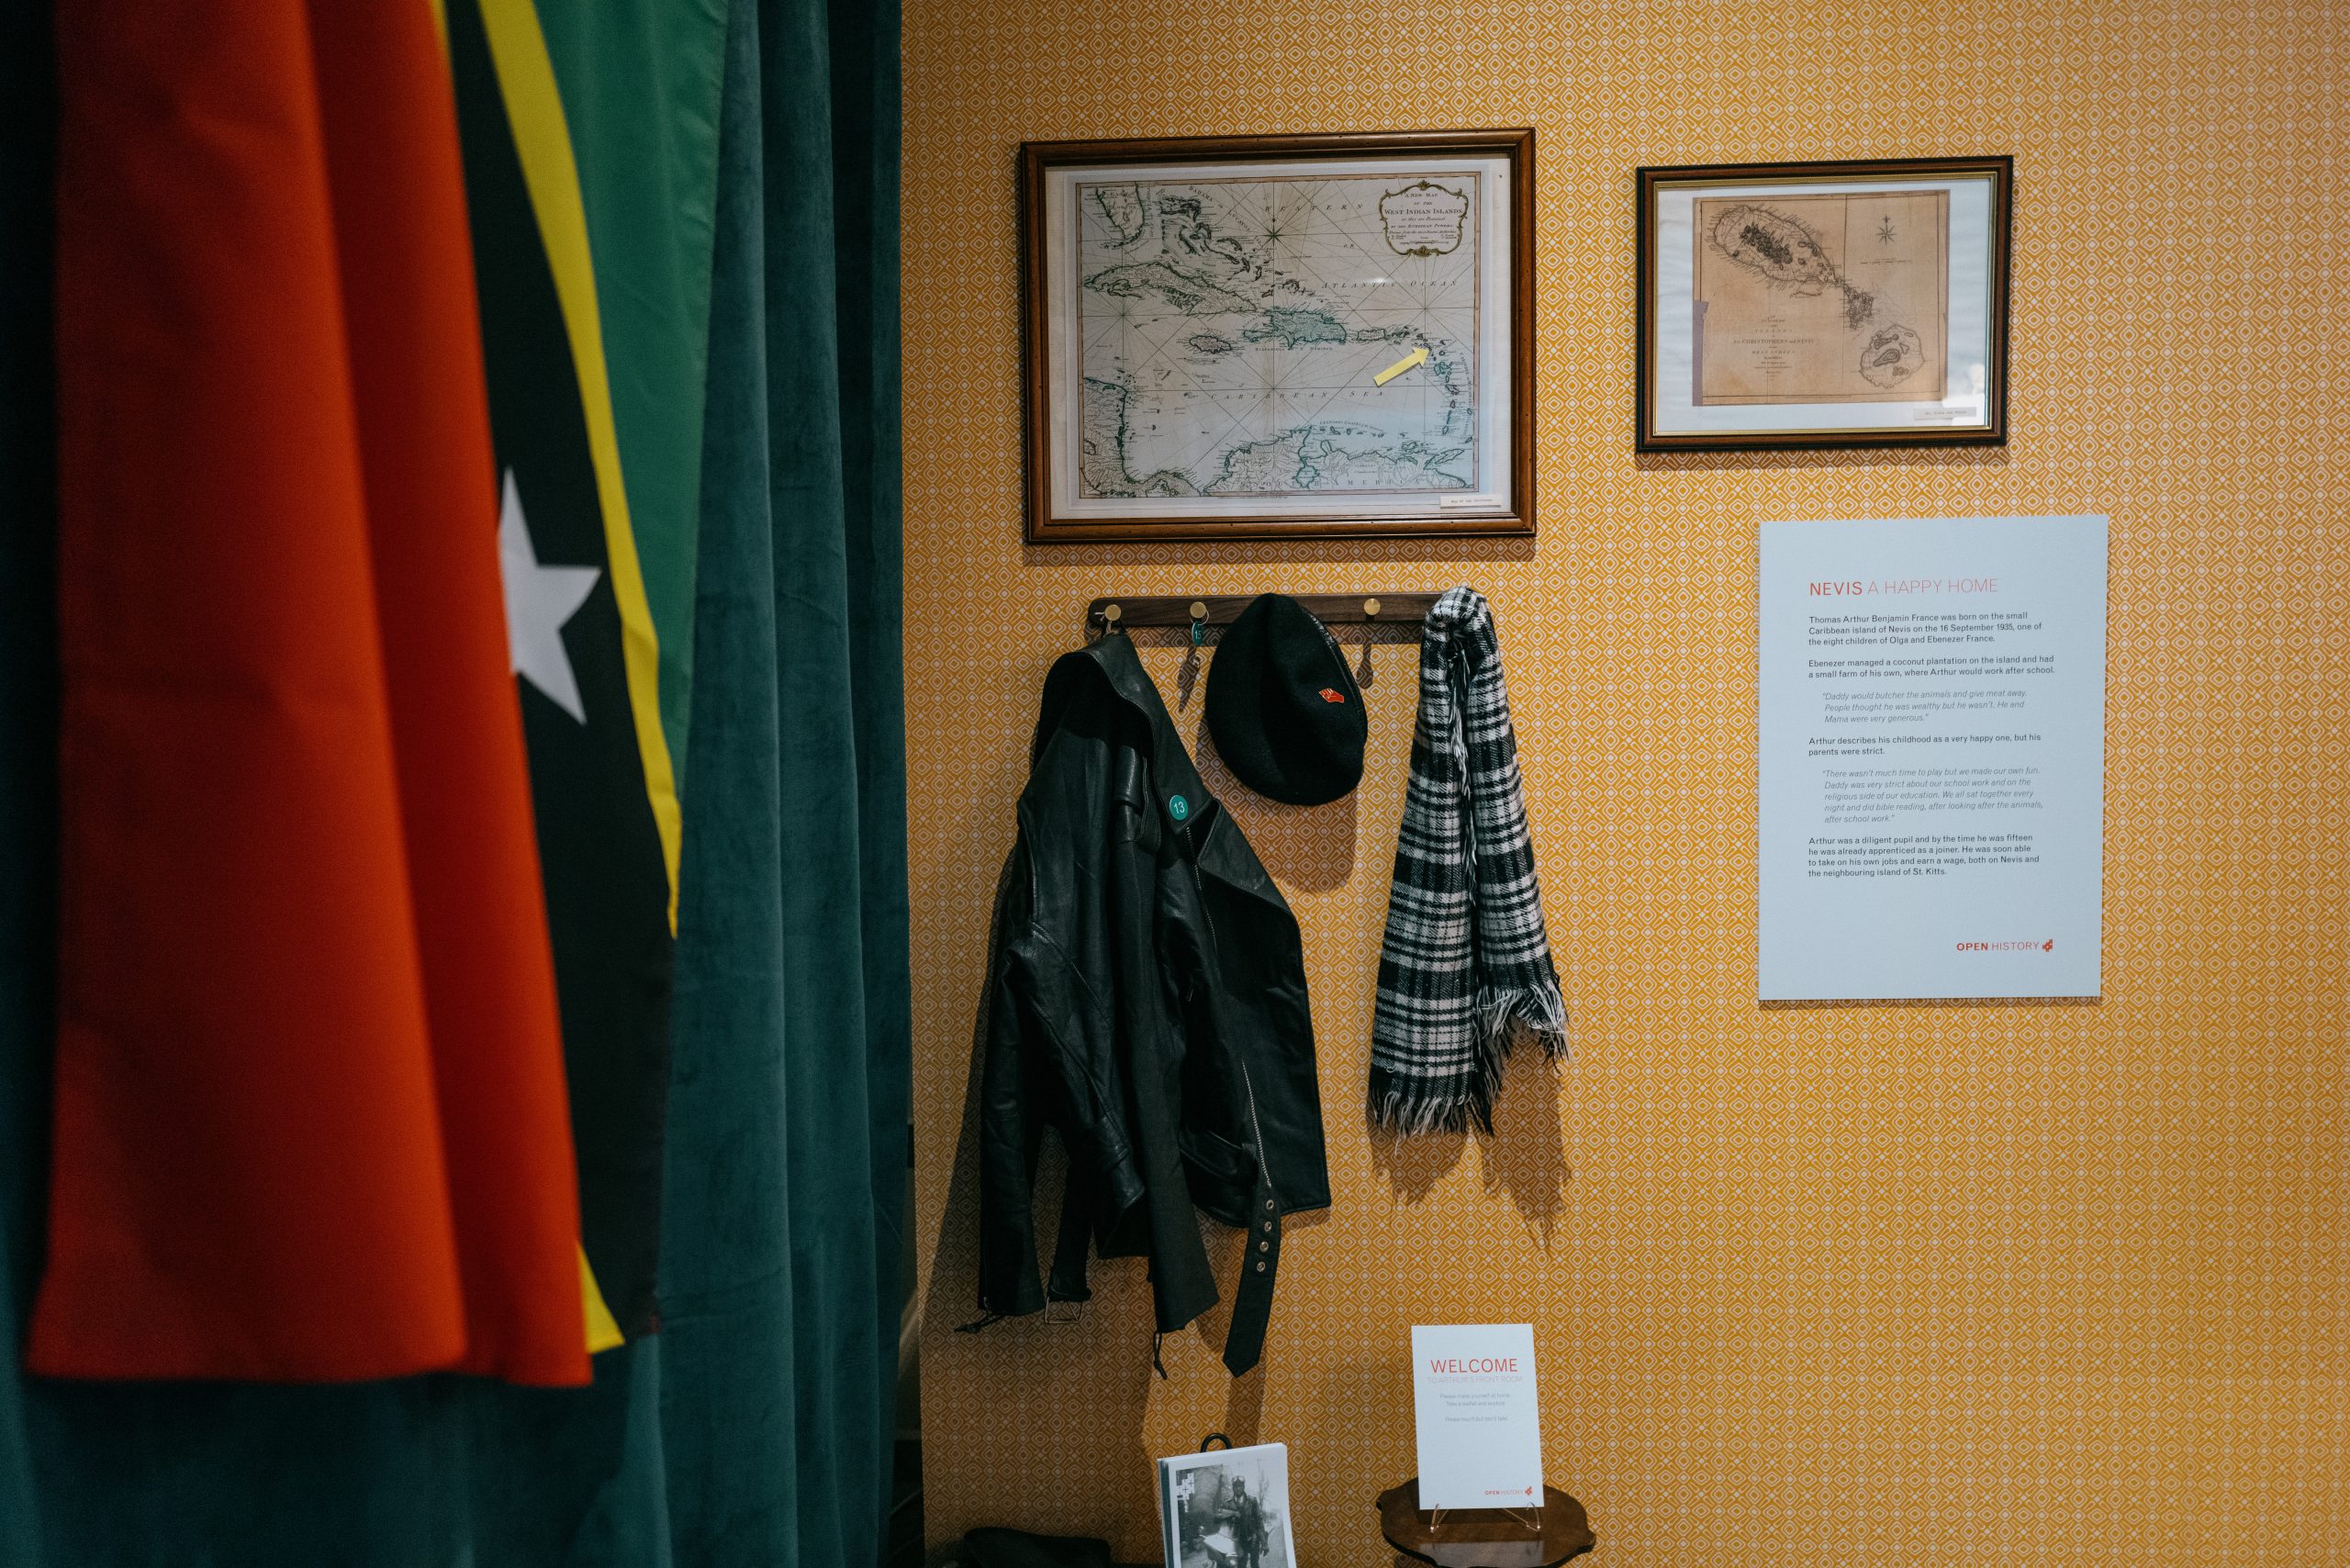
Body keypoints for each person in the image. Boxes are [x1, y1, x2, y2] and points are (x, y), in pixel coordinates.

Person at [1223, 1476, 1268, 1568]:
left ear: (1244, 1487)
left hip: (1253, 1539)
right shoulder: (1227, 1504)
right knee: (1241, 1565)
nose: (1238, 1488)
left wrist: (1264, 1543)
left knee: (1255, 1565)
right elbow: (1223, 1525)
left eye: (1240, 1486)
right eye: (1236, 1486)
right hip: (1238, 1542)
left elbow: (1259, 1523)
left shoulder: (1252, 1501)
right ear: (1233, 1488)